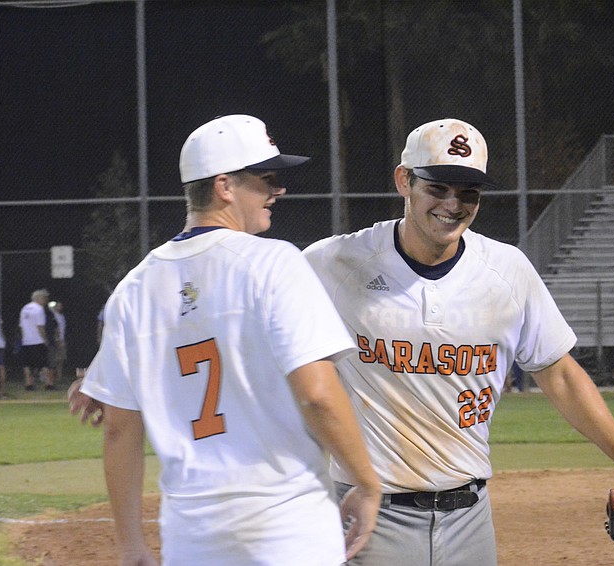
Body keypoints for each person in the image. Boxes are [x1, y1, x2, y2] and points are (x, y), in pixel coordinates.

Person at [301, 118, 614, 565]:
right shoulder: (334, 263)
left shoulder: (507, 270)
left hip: (471, 518)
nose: (453, 204)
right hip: (371, 515)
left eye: (469, 192)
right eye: (438, 187)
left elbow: (560, 375)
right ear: (404, 180)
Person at [76, 115, 380, 565]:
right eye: (266, 179)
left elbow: (120, 430)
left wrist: (131, 545)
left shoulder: (134, 289)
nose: (278, 190)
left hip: (193, 536)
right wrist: (367, 483)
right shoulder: (273, 262)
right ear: (224, 186)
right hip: (288, 526)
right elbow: (318, 395)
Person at [19, 288, 54, 391]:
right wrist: (45, 340)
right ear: (39, 298)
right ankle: (48, 383)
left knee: (27, 364)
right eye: (44, 298)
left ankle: (28, 383)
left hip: (26, 340)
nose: (45, 300)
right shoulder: (39, 309)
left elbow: (21, 326)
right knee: (44, 363)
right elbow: (40, 327)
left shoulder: (25, 308)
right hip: (38, 340)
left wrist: (23, 337)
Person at [48, 301, 67, 382]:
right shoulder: (53, 316)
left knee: (61, 359)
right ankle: (50, 377)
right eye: (58, 306)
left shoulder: (62, 317)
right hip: (55, 340)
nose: (60, 307)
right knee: (53, 359)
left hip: (62, 340)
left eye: (61, 306)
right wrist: (57, 339)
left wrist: (63, 340)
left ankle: (59, 376)